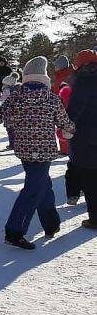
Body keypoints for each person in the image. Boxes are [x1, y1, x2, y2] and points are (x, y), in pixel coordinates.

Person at [0, 56, 75, 249]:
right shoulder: (52, 98)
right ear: (44, 77)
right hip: (44, 151)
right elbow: (65, 124)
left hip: (23, 150)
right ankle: (14, 231)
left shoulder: (15, 97)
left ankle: (51, 223)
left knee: (42, 184)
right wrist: (72, 130)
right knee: (33, 190)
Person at [67, 50, 97, 229]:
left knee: (91, 178)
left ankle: (95, 219)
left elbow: (77, 107)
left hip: (88, 135)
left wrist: (67, 127)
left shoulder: (85, 79)